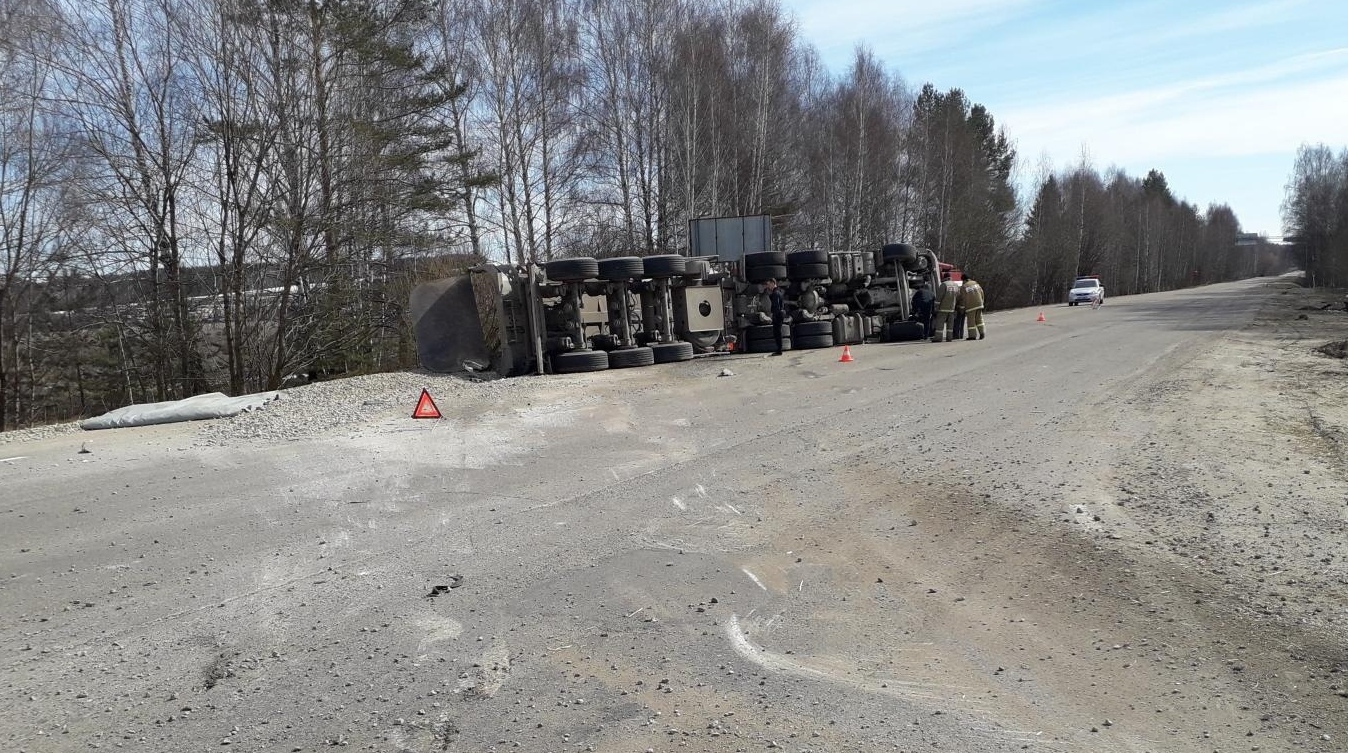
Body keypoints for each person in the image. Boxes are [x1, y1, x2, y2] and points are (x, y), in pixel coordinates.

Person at [931, 273, 963, 342]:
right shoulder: (956, 285)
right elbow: (958, 297)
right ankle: (949, 337)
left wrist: (936, 307)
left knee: (940, 324)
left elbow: (939, 297)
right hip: (952, 308)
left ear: (945, 278)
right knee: (950, 324)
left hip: (943, 308)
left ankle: (938, 338)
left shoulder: (944, 285)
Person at [765, 278, 786, 355]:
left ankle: (779, 350)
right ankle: (779, 349)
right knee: (777, 332)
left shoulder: (775, 293)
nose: (768, 286)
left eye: (769, 284)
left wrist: (774, 316)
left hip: (778, 314)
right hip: (780, 313)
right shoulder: (778, 292)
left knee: (777, 332)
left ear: (773, 283)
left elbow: (776, 306)